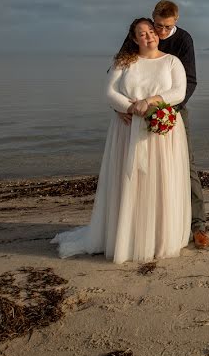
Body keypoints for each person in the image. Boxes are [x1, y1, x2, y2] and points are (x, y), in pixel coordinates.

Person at [51, 18, 191, 263]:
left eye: (151, 31)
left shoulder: (172, 61)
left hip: (162, 132)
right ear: (134, 39)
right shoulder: (124, 62)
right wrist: (129, 108)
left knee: (159, 180)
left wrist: (150, 102)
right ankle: (127, 237)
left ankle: (158, 237)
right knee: (129, 181)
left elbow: (178, 92)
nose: (149, 36)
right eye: (142, 33)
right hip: (127, 129)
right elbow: (109, 93)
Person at [150, 0, 209, 250]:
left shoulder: (184, 40)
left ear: (176, 21)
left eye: (166, 27)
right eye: (157, 26)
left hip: (173, 109)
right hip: (141, 109)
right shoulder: (143, 34)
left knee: (187, 165)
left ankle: (198, 227)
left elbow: (191, 81)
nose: (161, 33)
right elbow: (121, 68)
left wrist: (167, 111)